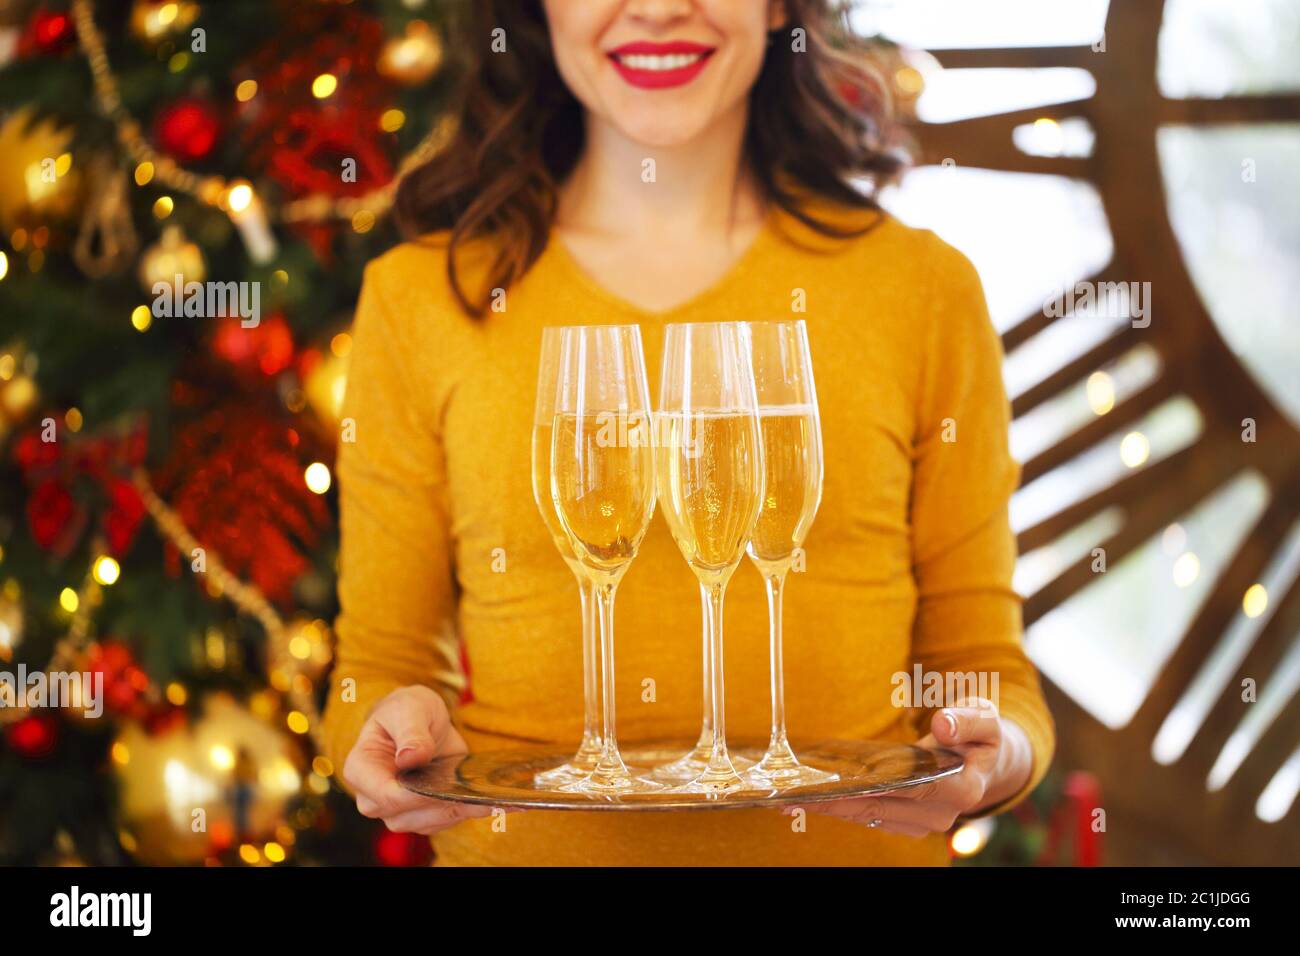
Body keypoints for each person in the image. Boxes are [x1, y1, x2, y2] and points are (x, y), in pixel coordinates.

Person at [321, 0, 1055, 866]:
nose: (662, 9)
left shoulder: (923, 291)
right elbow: (376, 662)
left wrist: (995, 752)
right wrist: (383, 731)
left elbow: (983, 661)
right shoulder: (419, 302)